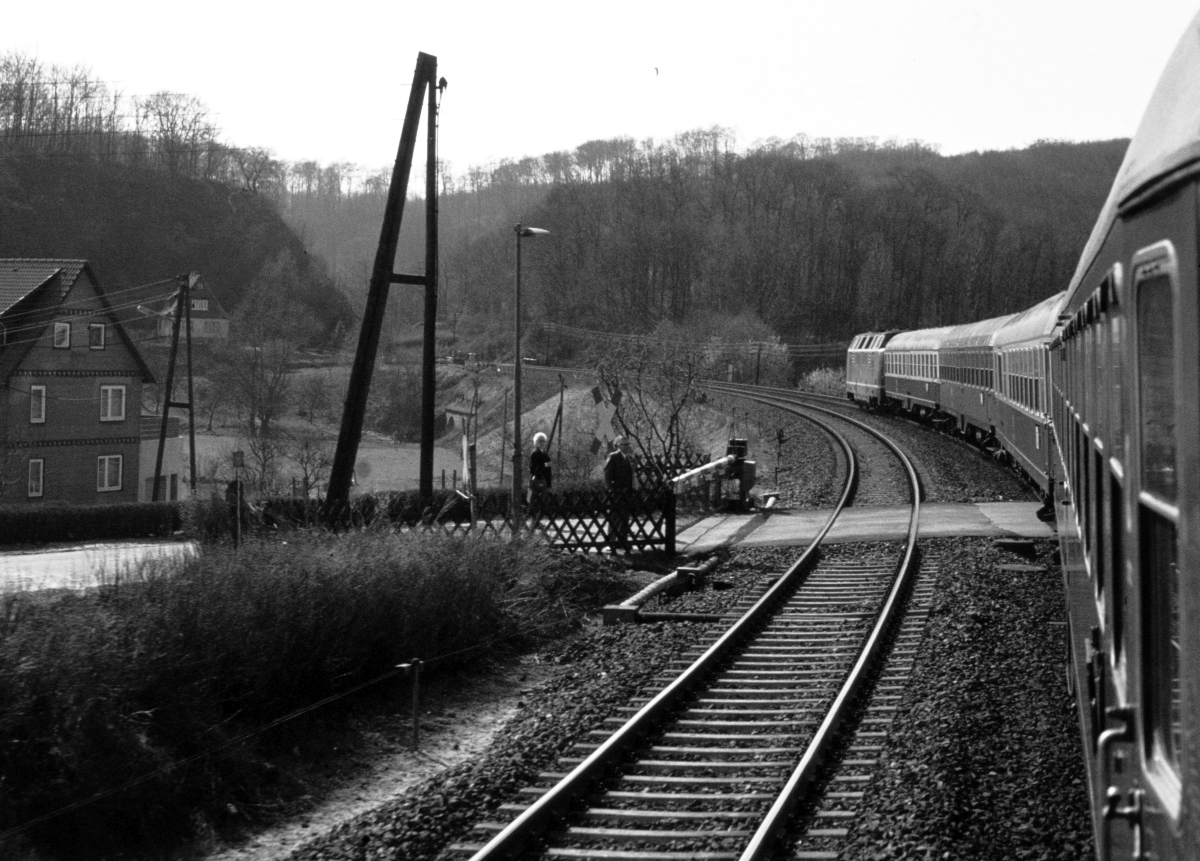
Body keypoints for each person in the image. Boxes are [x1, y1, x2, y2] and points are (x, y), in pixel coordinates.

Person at [604, 435, 635, 550]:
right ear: (618, 445)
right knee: (614, 518)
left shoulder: (628, 458)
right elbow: (607, 477)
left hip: (626, 493)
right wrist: (611, 492)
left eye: (628, 444)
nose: (627, 447)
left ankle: (623, 542)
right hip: (616, 493)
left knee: (625, 518)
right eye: (624, 445)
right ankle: (611, 543)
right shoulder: (613, 457)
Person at [528, 432, 553, 518]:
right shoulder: (535, 453)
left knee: (542, 501)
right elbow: (532, 468)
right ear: (536, 442)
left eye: (543, 441)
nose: (542, 443)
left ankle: (537, 520)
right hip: (537, 480)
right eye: (540, 441)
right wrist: (543, 469)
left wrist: (549, 483)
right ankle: (534, 521)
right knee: (533, 501)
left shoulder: (545, 454)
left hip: (544, 480)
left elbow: (549, 469)